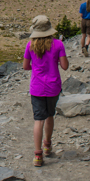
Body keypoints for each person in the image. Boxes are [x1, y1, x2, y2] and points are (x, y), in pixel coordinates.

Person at [23, 15, 69, 167]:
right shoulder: (58, 44)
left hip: (36, 87)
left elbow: (25, 66)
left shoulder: (30, 46)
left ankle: (37, 155)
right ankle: (47, 145)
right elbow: (64, 66)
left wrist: (35, 68)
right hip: (53, 86)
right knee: (50, 115)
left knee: (38, 119)